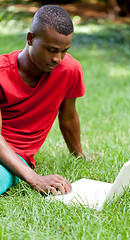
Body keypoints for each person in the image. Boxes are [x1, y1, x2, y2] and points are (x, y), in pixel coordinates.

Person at [0, 5, 85, 196]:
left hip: (15, 158)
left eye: (64, 51)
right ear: (30, 38)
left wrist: (80, 157)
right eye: (52, 50)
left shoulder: (70, 70)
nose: (57, 58)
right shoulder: (1, 74)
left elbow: (69, 118)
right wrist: (35, 178)